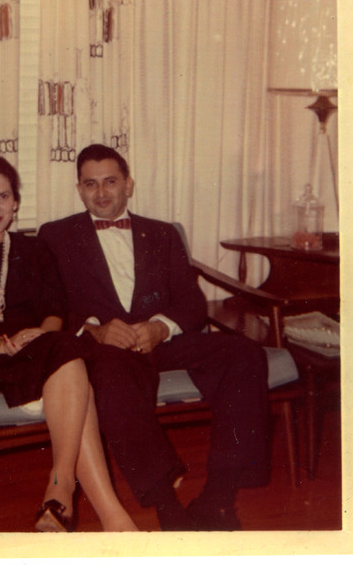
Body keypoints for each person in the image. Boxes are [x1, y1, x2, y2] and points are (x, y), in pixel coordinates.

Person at [39, 144, 270, 531]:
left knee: (244, 354)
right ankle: (168, 507)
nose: (101, 193)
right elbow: (50, 303)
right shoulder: (55, 236)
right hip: (107, 349)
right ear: (79, 189)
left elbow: (191, 301)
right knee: (112, 377)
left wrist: (161, 327)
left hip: (163, 341)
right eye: (90, 184)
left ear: (128, 184)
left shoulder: (162, 233)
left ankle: (219, 497)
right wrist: (95, 330)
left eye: (110, 181)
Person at [0, 155, 137, 533]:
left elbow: (55, 310)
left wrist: (40, 333)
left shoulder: (34, 250)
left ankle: (81, 507)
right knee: (71, 364)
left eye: (3, 196)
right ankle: (67, 488)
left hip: (37, 352)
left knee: (65, 355)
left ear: (16, 203)